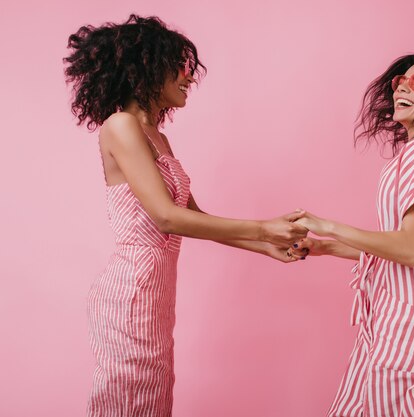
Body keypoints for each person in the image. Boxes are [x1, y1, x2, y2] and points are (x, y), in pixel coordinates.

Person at [63, 14, 308, 416]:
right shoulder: (121, 126)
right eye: (179, 66)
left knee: (153, 399)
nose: (189, 77)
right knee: (128, 400)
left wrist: (267, 247)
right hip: (132, 290)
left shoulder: (158, 135)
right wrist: (265, 227)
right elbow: (167, 219)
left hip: (157, 293)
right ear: (146, 66)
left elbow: (194, 217)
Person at [290, 54, 414, 417]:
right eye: (400, 82)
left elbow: (410, 249)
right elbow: (395, 244)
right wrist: (323, 247)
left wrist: (329, 225)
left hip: (409, 324)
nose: (402, 88)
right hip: (389, 317)